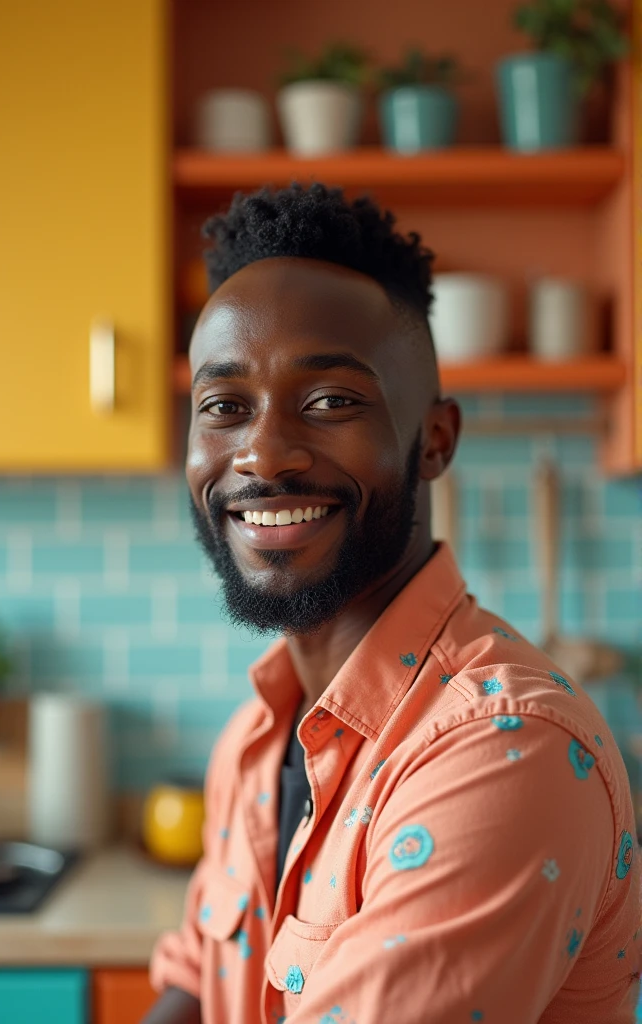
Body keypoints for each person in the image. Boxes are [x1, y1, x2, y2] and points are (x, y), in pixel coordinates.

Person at [145, 182, 641, 1024]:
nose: (265, 453)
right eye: (224, 407)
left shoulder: (504, 752)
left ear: (435, 440)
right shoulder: (256, 740)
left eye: (332, 401)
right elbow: (195, 976)